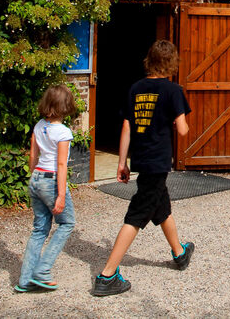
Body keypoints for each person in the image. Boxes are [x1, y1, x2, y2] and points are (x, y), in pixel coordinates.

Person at [91, 39, 195, 297]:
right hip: (158, 161)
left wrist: (121, 162)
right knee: (137, 215)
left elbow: (126, 127)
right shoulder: (173, 90)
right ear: (171, 63)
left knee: (161, 206)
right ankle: (107, 275)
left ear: (149, 60)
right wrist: (177, 118)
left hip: (141, 159)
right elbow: (182, 130)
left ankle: (179, 253)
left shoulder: (136, 88)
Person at [16, 83, 78, 293]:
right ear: (66, 106)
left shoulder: (38, 126)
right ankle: (42, 270)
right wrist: (61, 195)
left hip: (36, 177)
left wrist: (34, 179)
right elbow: (61, 165)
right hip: (51, 180)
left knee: (40, 229)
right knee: (67, 223)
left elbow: (33, 157)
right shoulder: (63, 132)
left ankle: (25, 280)